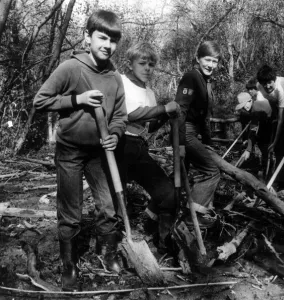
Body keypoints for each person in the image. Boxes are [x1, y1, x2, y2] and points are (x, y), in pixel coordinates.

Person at [33, 10, 127, 291]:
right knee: (70, 210)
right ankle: (69, 262)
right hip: (70, 151)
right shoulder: (71, 68)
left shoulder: (114, 77)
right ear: (87, 37)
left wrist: (115, 134)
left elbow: (121, 116)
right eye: (101, 37)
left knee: (109, 207)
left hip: (100, 153)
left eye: (113, 40)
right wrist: (77, 99)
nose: (107, 45)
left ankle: (107, 253)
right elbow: (41, 101)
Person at [120, 42, 180, 254]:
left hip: (138, 147)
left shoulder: (150, 93)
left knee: (168, 194)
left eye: (151, 65)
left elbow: (150, 126)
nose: (147, 68)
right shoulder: (120, 82)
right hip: (117, 145)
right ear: (130, 63)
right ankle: (112, 247)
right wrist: (162, 108)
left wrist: (165, 115)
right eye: (142, 63)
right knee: (115, 200)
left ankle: (163, 243)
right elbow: (129, 114)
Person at [174, 40, 221, 219]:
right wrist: (180, 143)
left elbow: (204, 118)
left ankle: (159, 216)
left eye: (215, 61)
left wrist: (208, 142)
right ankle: (190, 217)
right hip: (184, 131)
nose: (210, 65)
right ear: (197, 58)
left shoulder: (204, 80)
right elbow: (180, 110)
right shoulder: (191, 77)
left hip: (191, 132)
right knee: (212, 171)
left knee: (180, 177)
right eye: (207, 60)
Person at [235, 92, 273, 177]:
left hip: (272, 123)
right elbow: (253, 129)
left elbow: (253, 131)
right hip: (265, 123)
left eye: (246, 103)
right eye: (242, 105)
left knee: (265, 147)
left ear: (250, 100)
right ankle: (265, 168)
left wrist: (248, 149)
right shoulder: (253, 108)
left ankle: (267, 173)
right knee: (261, 144)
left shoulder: (257, 109)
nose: (245, 106)